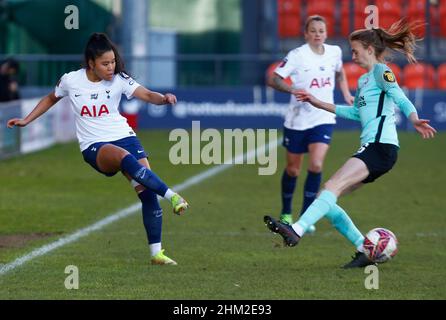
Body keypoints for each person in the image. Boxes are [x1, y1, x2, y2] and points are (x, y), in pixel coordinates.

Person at [264, 19, 437, 268]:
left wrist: (413, 118)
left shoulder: (381, 72)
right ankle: (364, 249)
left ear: (369, 48)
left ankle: (297, 230)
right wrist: (317, 102)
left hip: (380, 146)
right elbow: (356, 113)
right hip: (374, 149)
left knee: (332, 186)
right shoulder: (365, 81)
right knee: (327, 196)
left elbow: (400, 96)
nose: (352, 56)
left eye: (355, 51)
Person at [7, 33, 189, 266]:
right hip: (95, 145)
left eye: (113, 61)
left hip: (125, 136)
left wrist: (163, 99)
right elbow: (51, 98)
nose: (111, 67)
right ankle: (173, 196)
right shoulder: (71, 80)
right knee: (124, 158)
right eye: (105, 63)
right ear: (91, 63)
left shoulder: (119, 79)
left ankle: (156, 254)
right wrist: (26, 119)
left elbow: (146, 94)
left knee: (147, 194)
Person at [267, 15, 354, 233]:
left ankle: (306, 217)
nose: (317, 34)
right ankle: (286, 212)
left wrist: (346, 93)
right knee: (293, 169)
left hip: (323, 117)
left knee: (316, 165)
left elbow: (340, 72)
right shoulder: (297, 55)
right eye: (313, 30)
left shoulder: (334, 52)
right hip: (298, 120)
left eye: (321, 31)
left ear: (326, 33)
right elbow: (275, 78)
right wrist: (292, 90)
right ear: (306, 34)